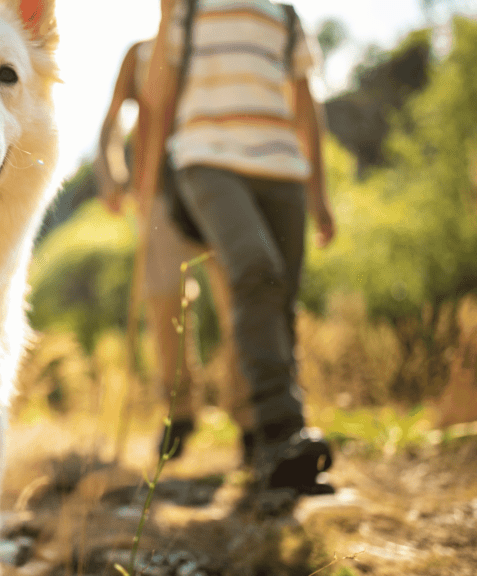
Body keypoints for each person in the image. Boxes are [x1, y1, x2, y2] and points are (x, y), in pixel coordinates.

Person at [133, 0, 337, 493]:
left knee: (280, 298)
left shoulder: (284, 16)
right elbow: (156, 96)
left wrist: (319, 191)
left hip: (283, 167)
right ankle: (280, 430)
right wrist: (165, 20)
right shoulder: (191, 8)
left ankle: (278, 448)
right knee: (255, 271)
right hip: (207, 159)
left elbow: (305, 103)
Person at [95, 39, 255, 464]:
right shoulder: (142, 53)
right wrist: (112, 169)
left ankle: (250, 418)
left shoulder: (217, 43)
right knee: (164, 299)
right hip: (160, 193)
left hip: (223, 186)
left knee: (237, 301)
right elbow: (112, 121)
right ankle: (180, 413)